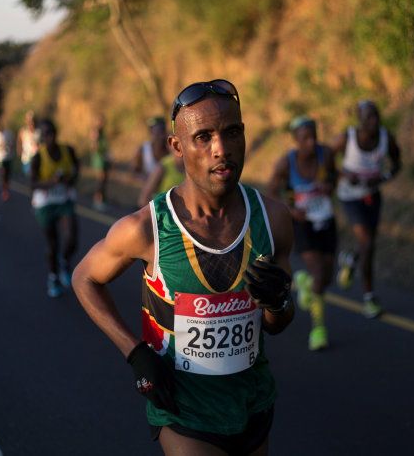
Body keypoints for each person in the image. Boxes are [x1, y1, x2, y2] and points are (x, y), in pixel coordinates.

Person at [72, 79, 294, 455]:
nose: (220, 149)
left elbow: (278, 325)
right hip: (184, 412)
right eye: (203, 137)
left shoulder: (273, 219)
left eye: (232, 132)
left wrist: (277, 303)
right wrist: (135, 352)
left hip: (253, 403)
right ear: (177, 146)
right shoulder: (146, 228)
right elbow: (85, 278)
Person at [268, 116, 337, 351]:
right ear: (296, 140)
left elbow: (334, 176)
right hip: (302, 223)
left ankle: (305, 284)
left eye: (313, 136)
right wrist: (291, 211)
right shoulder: (286, 163)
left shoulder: (325, 154)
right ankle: (318, 330)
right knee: (318, 273)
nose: (310, 142)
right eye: (305, 138)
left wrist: (329, 186)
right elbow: (271, 193)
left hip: (325, 220)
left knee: (326, 277)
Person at [331, 100, 401, 318]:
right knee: (368, 242)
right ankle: (369, 298)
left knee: (368, 243)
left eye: (376, 115)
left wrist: (383, 177)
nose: (374, 120)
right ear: (359, 119)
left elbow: (397, 164)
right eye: (369, 116)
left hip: (372, 196)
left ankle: (350, 259)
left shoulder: (385, 138)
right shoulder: (347, 137)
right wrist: (344, 175)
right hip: (350, 197)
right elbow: (324, 159)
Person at [31, 119, 80, 298]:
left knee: (72, 237)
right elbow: (33, 183)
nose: (48, 137)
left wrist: (70, 179)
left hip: (64, 200)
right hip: (45, 204)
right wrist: (52, 182)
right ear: (42, 138)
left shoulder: (68, 151)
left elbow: (76, 168)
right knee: (52, 244)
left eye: (50, 133)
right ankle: (53, 278)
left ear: (55, 133)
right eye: (44, 135)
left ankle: (64, 262)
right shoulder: (38, 157)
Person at [89, 115, 111, 211]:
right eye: (100, 121)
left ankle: (102, 200)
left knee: (104, 180)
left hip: (105, 159)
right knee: (100, 180)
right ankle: (97, 200)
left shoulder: (103, 133)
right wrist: (100, 153)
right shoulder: (96, 132)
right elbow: (94, 146)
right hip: (99, 160)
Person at [17, 110, 39, 176]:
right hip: (26, 158)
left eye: (32, 120)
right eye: (29, 120)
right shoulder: (22, 131)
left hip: (37, 157)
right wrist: (19, 151)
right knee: (29, 175)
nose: (31, 122)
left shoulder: (39, 131)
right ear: (26, 121)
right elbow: (19, 142)